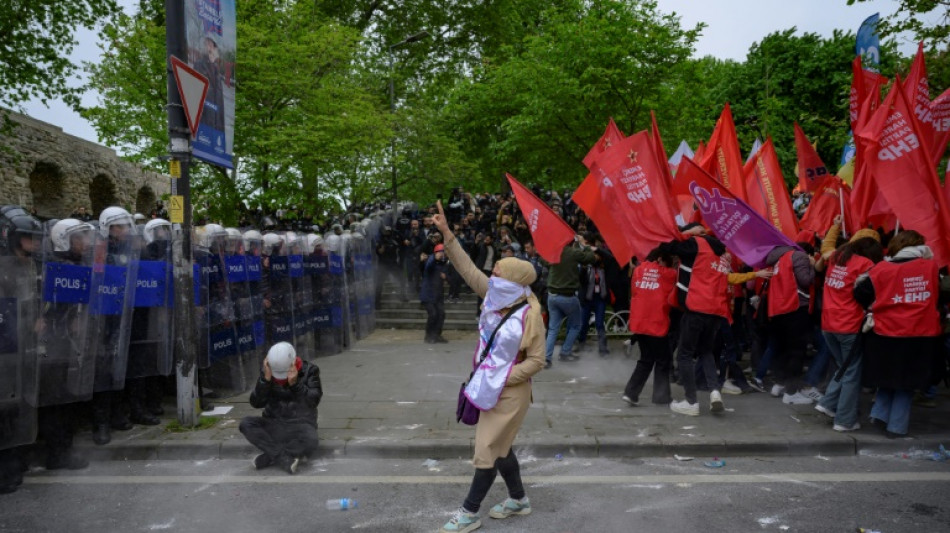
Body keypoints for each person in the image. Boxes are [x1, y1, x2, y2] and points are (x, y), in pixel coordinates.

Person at [432, 201, 544, 533]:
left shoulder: (531, 313)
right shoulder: (495, 294)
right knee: (501, 447)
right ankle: (519, 500)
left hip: (511, 392)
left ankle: (468, 513)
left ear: (513, 280)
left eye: (497, 272)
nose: (490, 275)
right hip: (487, 384)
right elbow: (467, 269)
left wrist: (505, 376)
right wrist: (448, 234)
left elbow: (537, 361)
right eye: (493, 272)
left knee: (486, 449)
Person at [854, 230, 946, 438]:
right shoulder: (930, 267)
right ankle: (896, 427)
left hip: (885, 332)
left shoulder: (881, 269)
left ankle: (879, 416)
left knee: (887, 377)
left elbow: (860, 293)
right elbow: (939, 293)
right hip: (920, 333)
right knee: (908, 383)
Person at [814, 221, 883, 432]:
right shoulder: (867, 265)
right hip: (849, 325)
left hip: (828, 324)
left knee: (843, 367)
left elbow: (826, 247)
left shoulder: (836, 257)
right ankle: (844, 420)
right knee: (852, 372)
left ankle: (827, 404)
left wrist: (834, 226)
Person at [658, 223, 730, 416]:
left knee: (684, 354)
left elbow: (665, 246)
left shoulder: (696, 244)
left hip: (697, 306)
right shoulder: (722, 252)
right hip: (716, 310)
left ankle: (691, 402)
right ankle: (715, 392)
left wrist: (687, 233)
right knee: (706, 351)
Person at [239, 342, 322, 475]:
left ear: (293, 362)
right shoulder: (267, 372)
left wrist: (296, 385)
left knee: (311, 440)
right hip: (274, 423)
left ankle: (270, 455)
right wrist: (264, 381)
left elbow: (313, 401)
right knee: (246, 424)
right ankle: (282, 457)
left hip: (301, 425)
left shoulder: (310, 371)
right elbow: (256, 403)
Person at [623, 247, 677, 406]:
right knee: (662, 360)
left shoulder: (638, 270)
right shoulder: (669, 274)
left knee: (646, 359)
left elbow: (634, 292)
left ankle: (631, 392)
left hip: (639, 322)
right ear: (661, 259)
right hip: (657, 323)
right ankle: (661, 396)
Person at [543, 235, 596, 368]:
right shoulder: (573, 253)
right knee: (576, 325)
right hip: (568, 296)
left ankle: (547, 358)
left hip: (552, 296)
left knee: (553, 328)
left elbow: (543, 261)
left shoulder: (555, 252)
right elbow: (590, 258)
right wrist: (585, 245)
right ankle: (565, 352)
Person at [421, 244, 448, 343]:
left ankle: (437, 335)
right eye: (440, 252)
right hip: (428, 294)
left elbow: (447, 276)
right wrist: (433, 258)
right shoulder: (430, 261)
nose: (442, 255)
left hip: (438, 295)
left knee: (441, 314)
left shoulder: (443, 264)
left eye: (443, 253)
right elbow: (428, 267)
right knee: (433, 314)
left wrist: (446, 277)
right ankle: (428, 336)